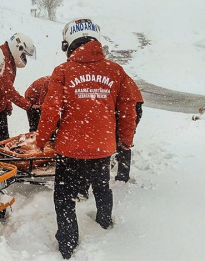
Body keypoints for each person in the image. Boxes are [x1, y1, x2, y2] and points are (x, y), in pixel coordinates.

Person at [35, 18, 138, 259]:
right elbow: (127, 110)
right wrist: (126, 140)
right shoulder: (116, 71)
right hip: (102, 148)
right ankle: (104, 222)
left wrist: (41, 140)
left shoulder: (63, 71)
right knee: (102, 188)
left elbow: (50, 110)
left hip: (69, 149)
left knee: (64, 197)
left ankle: (68, 243)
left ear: (69, 42)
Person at [114, 82, 144, 182]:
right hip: (131, 105)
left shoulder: (116, 78)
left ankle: (122, 176)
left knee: (123, 140)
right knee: (122, 138)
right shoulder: (119, 76)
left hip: (128, 106)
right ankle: (118, 165)